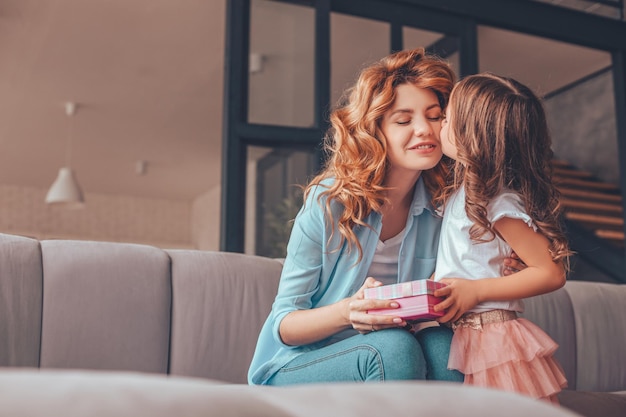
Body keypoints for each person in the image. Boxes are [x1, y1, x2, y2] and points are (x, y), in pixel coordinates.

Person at [248, 48, 524, 386]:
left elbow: (475, 272)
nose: (424, 129)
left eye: (435, 116)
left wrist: (504, 263)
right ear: (374, 131)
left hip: (392, 350)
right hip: (299, 363)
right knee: (392, 349)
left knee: (443, 346)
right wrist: (347, 312)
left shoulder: (447, 209)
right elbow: (285, 324)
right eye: (404, 120)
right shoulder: (330, 202)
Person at [432, 72, 572, 403]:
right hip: (468, 334)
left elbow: (551, 272)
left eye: (446, 118)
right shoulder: (462, 194)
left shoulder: (497, 202)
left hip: (492, 336)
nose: (439, 125)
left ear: (471, 136)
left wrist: (476, 290)